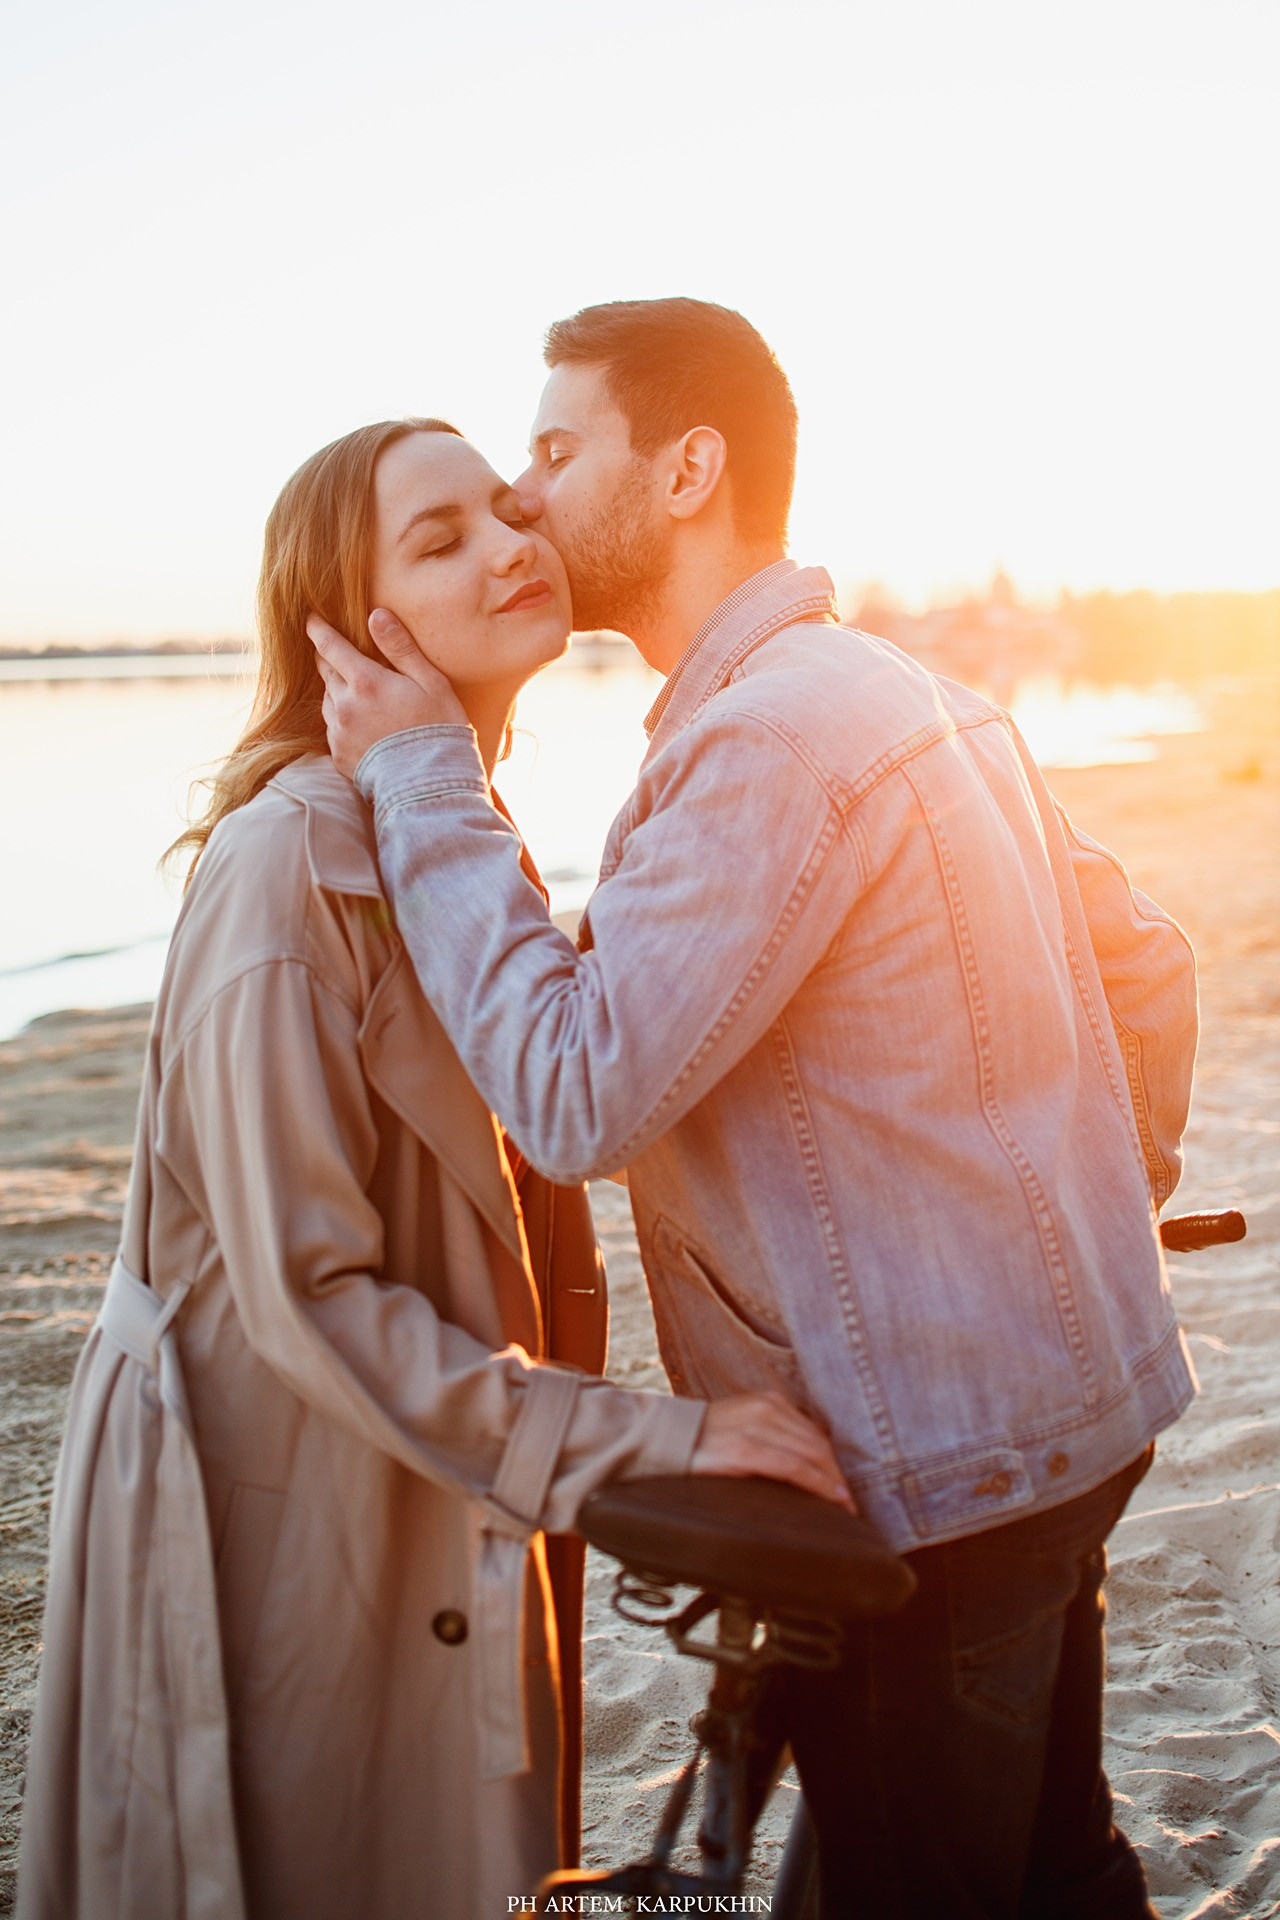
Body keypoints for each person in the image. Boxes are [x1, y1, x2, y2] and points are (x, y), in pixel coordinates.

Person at [309, 299, 1201, 1918]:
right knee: (1059, 1869)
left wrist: (429, 771)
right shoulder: (886, 686)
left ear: (687, 470)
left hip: (931, 1479)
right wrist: (1076, 1241)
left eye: (561, 450)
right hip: (1073, 1418)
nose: (526, 493)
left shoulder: (765, 742)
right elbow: (1147, 966)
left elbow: (577, 1093)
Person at [15, 416, 853, 1920]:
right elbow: (307, 1299)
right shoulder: (285, 867)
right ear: (349, 624)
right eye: (442, 537)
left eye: (503, 512)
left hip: (424, 1477)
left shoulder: (438, 823)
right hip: (280, 1503)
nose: (513, 546)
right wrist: (650, 1443)